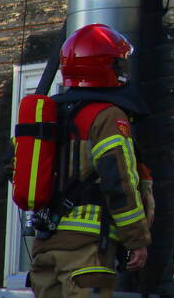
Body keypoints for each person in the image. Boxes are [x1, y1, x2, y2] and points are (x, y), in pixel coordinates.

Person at [28, 23, 154, 298]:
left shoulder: (49, 115)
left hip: (45, 247)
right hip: (86, 251)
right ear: (104, 67)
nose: (123, 72)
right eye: (118, 65)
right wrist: (137, 240)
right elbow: (119, 182)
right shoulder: (108, 117)